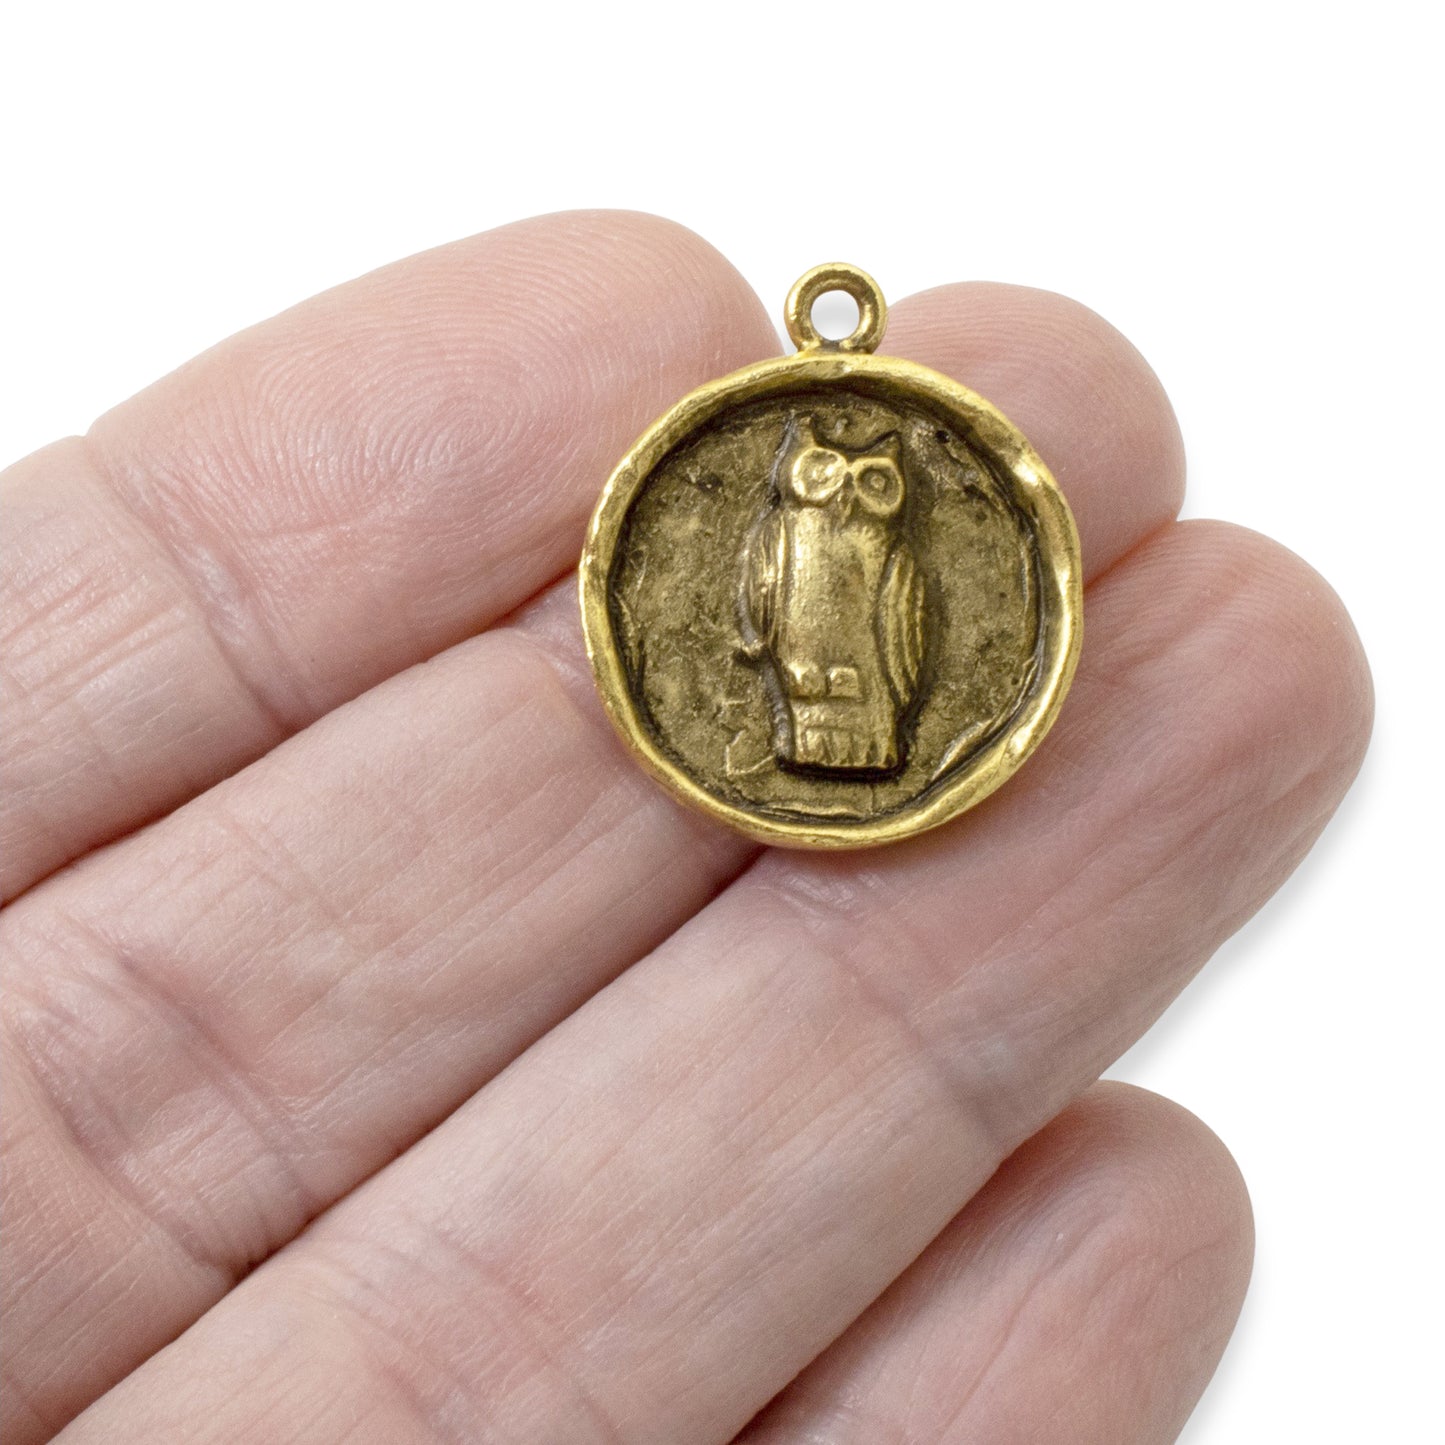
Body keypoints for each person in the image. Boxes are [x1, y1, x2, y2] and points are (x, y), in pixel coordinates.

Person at [0, 210, 1372, 1443]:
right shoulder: (776, 531)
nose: (842, 494)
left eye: (866, 483)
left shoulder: (893, 552)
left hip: (873, 714)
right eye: (823, 479)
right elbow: (756, 618)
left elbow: (906, 632)